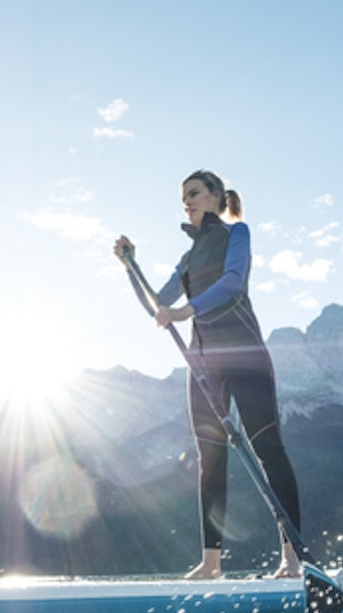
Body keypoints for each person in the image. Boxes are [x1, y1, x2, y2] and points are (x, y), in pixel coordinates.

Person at [113, 169, 303, 579]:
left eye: (195, 193)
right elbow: (158, 304)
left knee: (268, 449)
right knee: (210, 459)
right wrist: (131, 266)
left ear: (216, 196)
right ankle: (211, 564)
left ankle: (291, 558)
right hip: (203, 364)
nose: (188, 202)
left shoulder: (237, 234)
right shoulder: (187, 257)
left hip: (245, 355)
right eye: (184, 197)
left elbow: (233, 283)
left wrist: (186, 310)